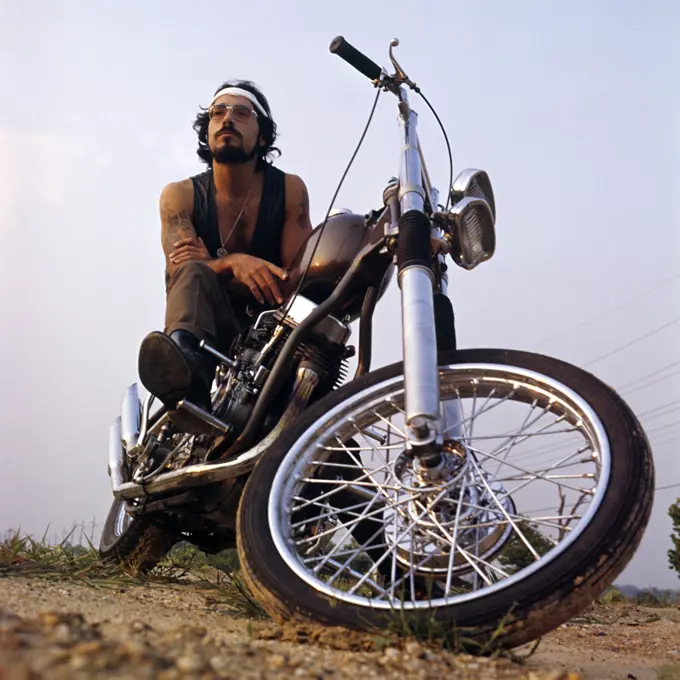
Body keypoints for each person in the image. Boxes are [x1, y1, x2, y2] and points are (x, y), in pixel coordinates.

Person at [137, 80, 314, 430]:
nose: (226, 120)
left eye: (241, 113)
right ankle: (187, 377)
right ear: (207, 132)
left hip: (271, 333)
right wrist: (236, 262)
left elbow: (296, 278)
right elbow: (184, 270)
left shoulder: (289, 190)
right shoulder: (180, 196)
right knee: (193, 276)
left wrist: (214, 264)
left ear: (262, 136)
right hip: (209, 326)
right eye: (218, 114)